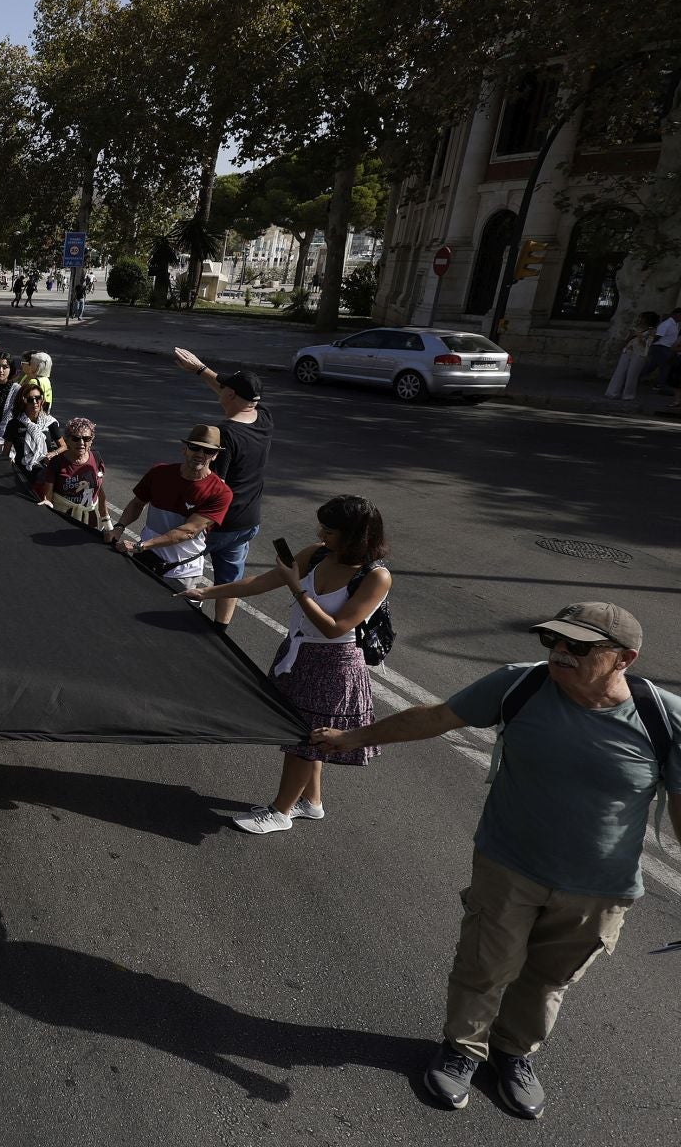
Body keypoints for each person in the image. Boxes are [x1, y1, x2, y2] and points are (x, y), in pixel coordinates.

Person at [312, 602, 679, 1120]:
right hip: (509, 864)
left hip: (600, 887)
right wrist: (353, 736)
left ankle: (513, 1053)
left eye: (578, 646)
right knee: (485, 966)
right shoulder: (520, 685)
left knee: (549, 979)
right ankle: (462, 1050)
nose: (560, 653)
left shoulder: (662, 718)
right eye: (554, 641)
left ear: (625, 658)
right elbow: (436, 718)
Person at [187, 496, 392, 835]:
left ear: (356, 535)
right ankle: (311, 802)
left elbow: (335, 627)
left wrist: (297, 587)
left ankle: (280, 812)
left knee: (306, 741)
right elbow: (261, 582)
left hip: (335, 665)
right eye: (322, 527)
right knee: (307, 735)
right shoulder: (316, 554)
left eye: (330, 530)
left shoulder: (376, 577)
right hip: (297, 654)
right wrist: (207, 593)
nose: (321, 533)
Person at [174, 350, 275, 627]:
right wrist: (199, 369)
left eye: (226, 388)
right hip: (247, 521)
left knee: (175, 565)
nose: (220, 389)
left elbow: (212, 484)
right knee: (229, 581)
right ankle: (220, 629)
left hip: (219, 523)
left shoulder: (226, 434)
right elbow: (228, 388)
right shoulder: (264, 418)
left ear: (230, 395)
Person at [103, 425, 233, 590]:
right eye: (195, 447)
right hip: (145, 558)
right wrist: (119, 527)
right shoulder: (159, 473)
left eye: (208, 451)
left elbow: (188, 531)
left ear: (215, 456)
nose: (200, 454)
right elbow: (137, 503)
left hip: (182, 571)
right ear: (185, 449)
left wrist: (140, 546)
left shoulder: (220, 492)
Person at [36, 416, 109, 528]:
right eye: (75, 438)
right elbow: (48, 496)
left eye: (86, 438)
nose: (81, 443)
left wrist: (106, 522)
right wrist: (47, 515)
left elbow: (100, 492)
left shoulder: (96, 457)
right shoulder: (57, 462)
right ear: (67, 440)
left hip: (91, 520)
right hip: (63, 520)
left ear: (91, 440)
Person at [3, 384, 63, 496]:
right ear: (23, 401)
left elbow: (64, 447)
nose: (35, 402)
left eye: (38, 398)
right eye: (30, 399)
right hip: (22, 476)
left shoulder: (50, 422)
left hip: (47, 474)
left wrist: (53, 453)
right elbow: (5, 454)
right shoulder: (14, 424)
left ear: (42, 400)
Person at [640, 305, 679, 393]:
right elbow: (658, 336)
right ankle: (662, 386)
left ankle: (634, 377)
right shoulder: (667, 324)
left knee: (651, 366)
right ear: (676, 315)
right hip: (661, 347)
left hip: (665, 348)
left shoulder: (674, 324)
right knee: (665, 366)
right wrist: (649, 345)